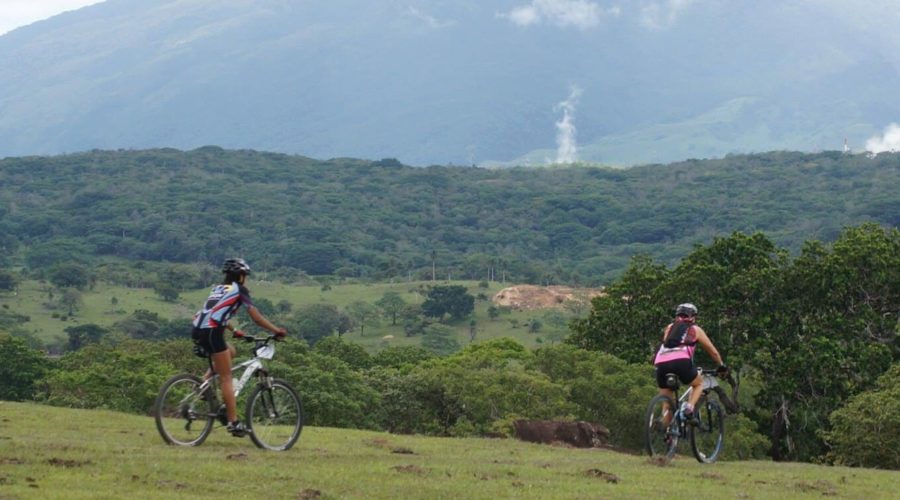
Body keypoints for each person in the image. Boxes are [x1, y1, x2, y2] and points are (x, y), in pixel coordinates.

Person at [192, 258, 287, 437]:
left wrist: (235, 330)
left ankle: (203, 385)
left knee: (230, 352)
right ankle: (233, 422)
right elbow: (256, 317)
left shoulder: (218, 289)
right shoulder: (239, 289)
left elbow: (213, 312)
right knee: (226, 378)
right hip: (213, 332)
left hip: (198, 331)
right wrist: (277, 331)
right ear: (241, 276)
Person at [653, 303, 727, 423]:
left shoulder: (669, 327)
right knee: (698, 384)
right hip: (681, 362)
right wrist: (721, 366)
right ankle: (689, 409)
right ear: (693, 316)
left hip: (661, 363)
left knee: (667, 403)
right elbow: (713, 353)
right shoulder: (695, 329)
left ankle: (667, 433)